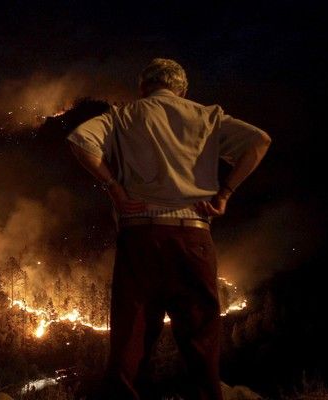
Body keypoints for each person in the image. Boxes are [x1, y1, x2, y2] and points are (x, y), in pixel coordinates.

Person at [67, 58, 271, 400]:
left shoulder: (124, 116)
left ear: (143, 87)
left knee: (129, 345)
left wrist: (115, 189)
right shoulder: (207, 116)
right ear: (183, 90)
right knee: (201, 341)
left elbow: (79, 140)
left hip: (141, 237)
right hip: (193, 236)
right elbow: (260, 142)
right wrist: (225, 193)